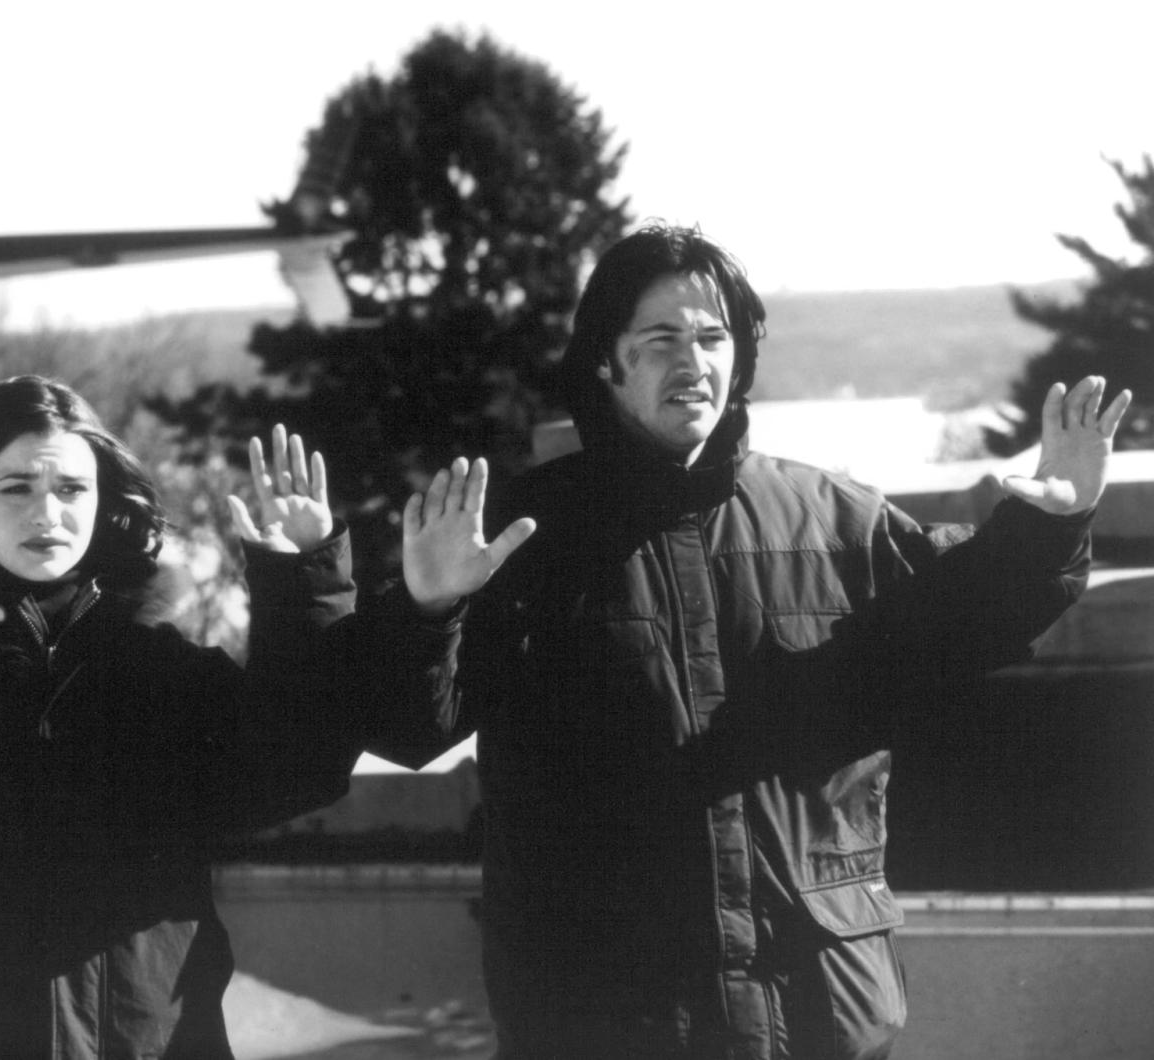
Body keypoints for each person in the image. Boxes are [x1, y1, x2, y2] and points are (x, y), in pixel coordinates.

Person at [376, 223, 1134, 1059]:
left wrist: (1050, 527)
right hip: (609, 1020)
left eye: (712, 338)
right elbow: (412, 726)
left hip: (816, 1009)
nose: (692, 363)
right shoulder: (523, 539)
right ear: (605, 364)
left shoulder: (833, 519)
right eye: (660, 340)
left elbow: (964, 616)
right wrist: (429, 609)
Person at [0, 375, 523, 1060]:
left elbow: (294, 766)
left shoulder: (156, 670)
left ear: (103, 503)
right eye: (17, 487)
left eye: (71, 487)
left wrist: (311, 583)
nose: (48, 513)